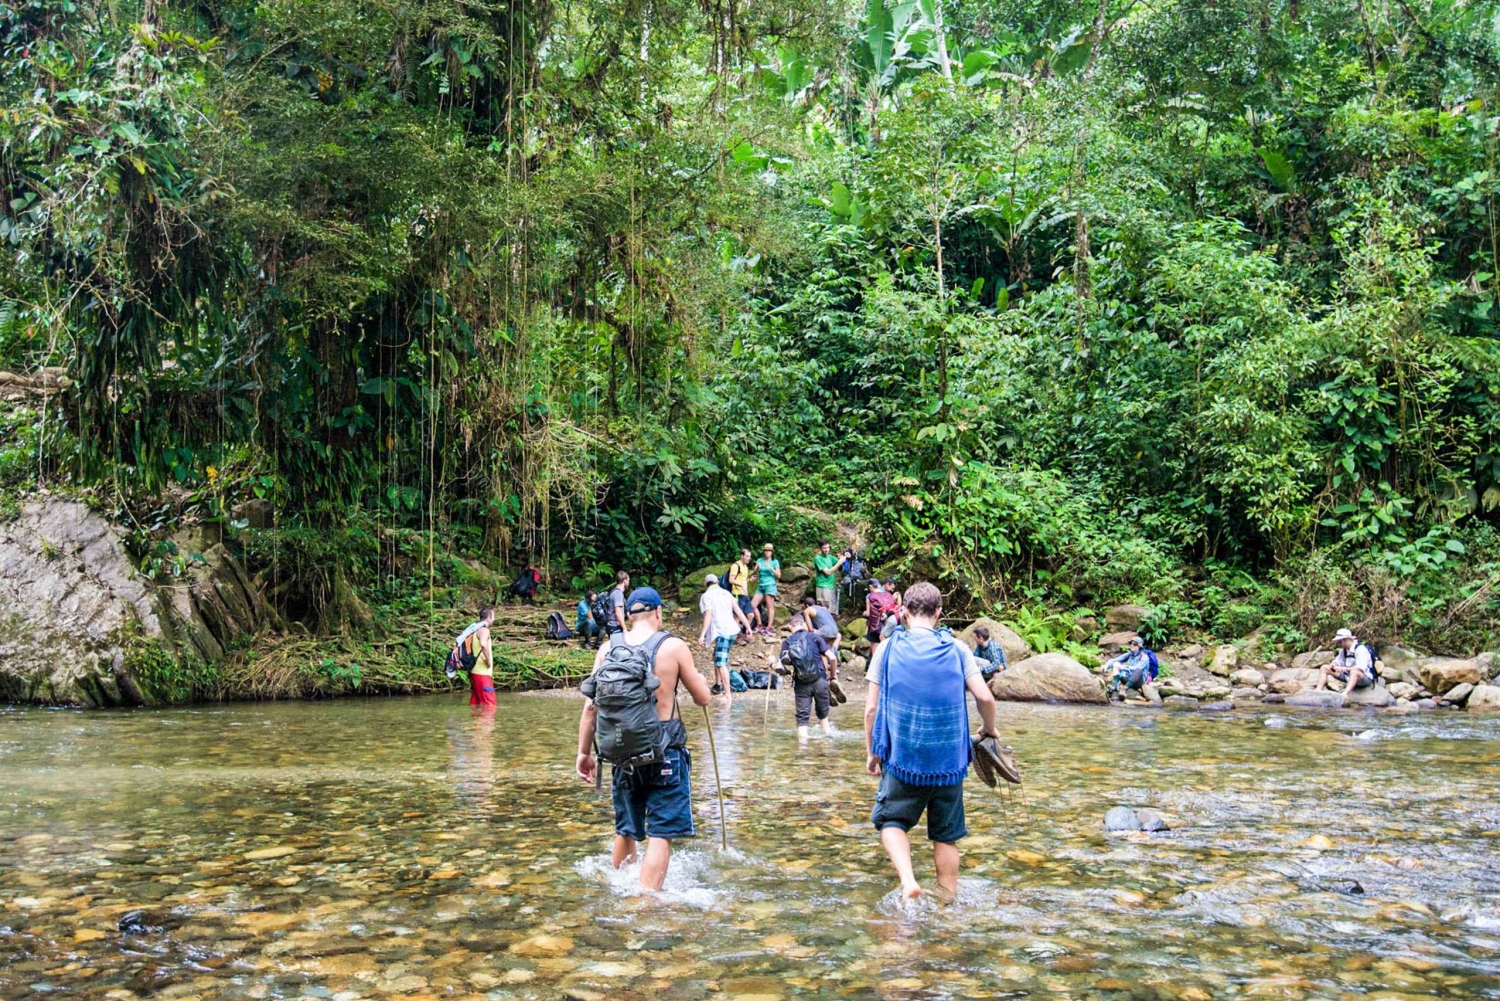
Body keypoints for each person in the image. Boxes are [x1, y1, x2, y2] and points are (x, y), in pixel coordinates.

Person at [864, 582, 998, 901]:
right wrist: (989, 728)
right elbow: (984, 696)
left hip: (902, 757)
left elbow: (871, 709)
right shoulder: (958, 649)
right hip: (949, 762)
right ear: (939, 613)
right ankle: (947, 900)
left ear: (904, 612)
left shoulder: (887, 649)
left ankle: (909, 881)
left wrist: (872, 751)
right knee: (946, 836)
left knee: (891, 820)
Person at [576, 587, 712, 891]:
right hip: (665, 751)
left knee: (625, 829)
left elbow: (590, 708)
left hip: (621, 751)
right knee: (660, 833)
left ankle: (619, 887)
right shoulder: (673, 646)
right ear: (658, 613)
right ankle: (646, 905)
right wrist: (700, 680)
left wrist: (584, 753)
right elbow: (703, 699)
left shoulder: (608, 648)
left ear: (628, 616)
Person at [698, 573, 753, 699]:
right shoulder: (726, 593)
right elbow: (738, 610)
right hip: (731, 630)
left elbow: (708, 615)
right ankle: (718, 685)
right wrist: (748, 627)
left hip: (722, 631)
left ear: (706, 584)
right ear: (717, 582)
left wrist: (702, 635)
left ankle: (727, 694)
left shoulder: (706, 596)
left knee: (721, 662)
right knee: (717, 656)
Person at [782, 616, 838, 740]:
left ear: (791, 627)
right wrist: (833, 677)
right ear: (804, 625)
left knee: (802, 720)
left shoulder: (787, 642)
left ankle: (803, 751)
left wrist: (771, 663)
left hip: (801, 684)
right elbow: (832, 658)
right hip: (820, 680)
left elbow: (781, 666)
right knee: (824, 719)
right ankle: (826, 747)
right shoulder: (815, 637)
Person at [448, 608, 496, 709]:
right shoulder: (484, 630)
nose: (494, 619)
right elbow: (483, 644)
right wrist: (488, 661)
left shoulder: (474, 630)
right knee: (490, 705)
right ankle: (487, 724)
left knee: (476, 702)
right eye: (493, 616)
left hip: (474, 672)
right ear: (489, 618)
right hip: (482, 673)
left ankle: (474, 724)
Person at [1315, 628, 1376, 695]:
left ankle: (1345, 694)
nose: (1338, 644)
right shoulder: (1344, 650)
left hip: (1364, 677)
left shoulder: (1360, 649)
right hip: (1348, 676)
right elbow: (1338, 661)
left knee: (1354, 672)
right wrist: (1333, 664)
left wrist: (1343, 669)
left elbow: (1361, 668)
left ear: (1346, 639)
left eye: (1339, 641)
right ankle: (1318, 690)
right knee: (1324, 668)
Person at [726, 548, 756, 638]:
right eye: (747, 556)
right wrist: (741, 586)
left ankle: (745, 633)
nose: (748, 558)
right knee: (737, 617)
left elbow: (743, 580)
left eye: (749, 557)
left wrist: (750, 580)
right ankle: (736, 637)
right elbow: (731, 580)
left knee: (750, 615)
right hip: (737, 594)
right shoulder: (736, 565)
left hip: (744, 595)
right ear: (742, 556)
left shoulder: (745, 567)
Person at [865, 580, 897, 661]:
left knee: (874, 647)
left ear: (870, 587)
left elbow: (868, 613)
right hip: (887, 625)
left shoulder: (870, 596)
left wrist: (864, 613)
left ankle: (874, 667)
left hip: (875, 626)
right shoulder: (889, 595)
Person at [753, 544, 782, 635]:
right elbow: (754, 574)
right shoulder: (760, 560)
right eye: (766, 550)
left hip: (770, 585)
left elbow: (779, 576)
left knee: (770, 606)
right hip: (761, 585)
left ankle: (769, 627)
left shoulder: (774, 562)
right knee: (752, 605)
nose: (767, 552)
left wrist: (771, 569)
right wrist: (756, 568)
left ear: (772, 552)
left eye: (769, 550)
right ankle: (759, 624)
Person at [598, 571, 629, 640]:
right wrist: (624, 629)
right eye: (628, 580)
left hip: (611, 625)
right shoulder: (618, 593)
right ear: (624, 580)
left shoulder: (613, 591)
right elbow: (618, 613)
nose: (628, 582)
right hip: (615, 626)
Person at [813, 540, 841, 615]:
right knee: (824, 611)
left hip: (831, 587)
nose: (826, 550)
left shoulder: (830, 557)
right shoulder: (818, 559)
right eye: (824, 548)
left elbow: (840, 563)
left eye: (828, 547)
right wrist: (839, 562)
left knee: (831, 611)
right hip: (823, 587)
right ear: (820, 548)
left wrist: (845, 556)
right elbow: (827, 572)